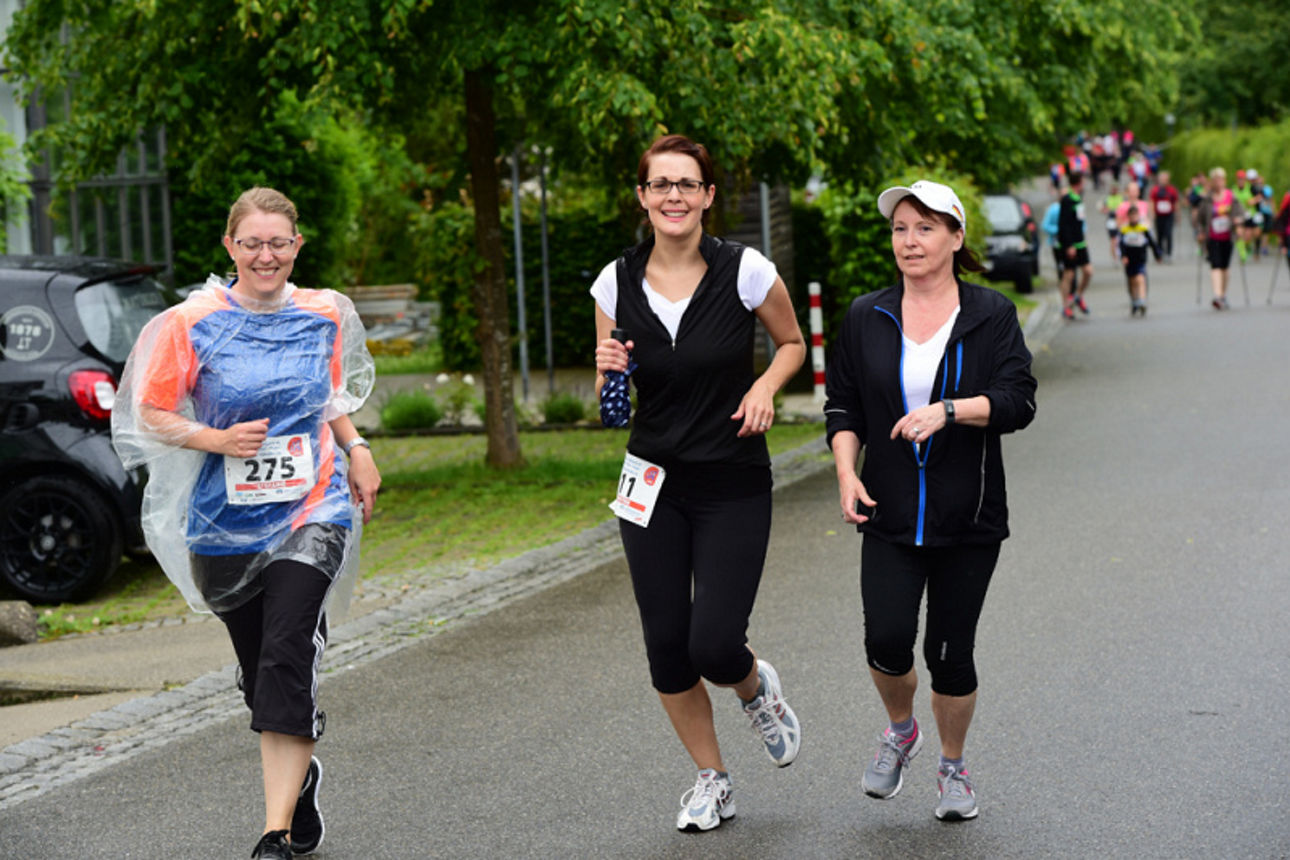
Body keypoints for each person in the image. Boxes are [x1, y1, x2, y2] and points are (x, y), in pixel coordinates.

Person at [112, 187, 381, 859]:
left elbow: (327, 397)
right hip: (223, 524)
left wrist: (358, 449)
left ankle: (273, 833)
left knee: (289, 655)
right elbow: (148, 413)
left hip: (314, 508)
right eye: (253, 242)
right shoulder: (189, 322)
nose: (267, 255)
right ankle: (302, 778)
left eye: (279, 242)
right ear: (230, 245)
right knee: (262, 673)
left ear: (298, 247)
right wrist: (216, 439)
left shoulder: (324, 313)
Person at [589, 134, 806, 834]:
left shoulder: (744, 270)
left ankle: (753, 687)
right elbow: (613, 396)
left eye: (688, 184)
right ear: (643, 197)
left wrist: (767, 386)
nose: (674, 196)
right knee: (666, 647)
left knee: (714, 643)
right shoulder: (612, 283)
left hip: (731, 477)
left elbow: (793, 343)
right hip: (649, 480)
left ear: (709, 196)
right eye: (661, 184)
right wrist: (607, 370)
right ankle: (713, 779)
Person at [824, 180, 1036, 822]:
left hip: (966, 515)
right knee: (886, 641)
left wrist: (948, 411)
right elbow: (842, 405)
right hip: (886, 511)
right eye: (900, 229)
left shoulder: (990, 313)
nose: (909, 241)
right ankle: (901, 731)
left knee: (950, 654)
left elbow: (1018, 401)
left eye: (924, 227)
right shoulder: (867, 314)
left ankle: (952, 764)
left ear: (956, 238)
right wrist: (845, 472)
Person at [1195, 167, 1245, 310]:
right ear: (1211, 182)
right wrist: (1200, 232)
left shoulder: (1231, 196)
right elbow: (1200, 218)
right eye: (1215, 180)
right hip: (1212, 237)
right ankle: (1217, 295)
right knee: (1215, 265)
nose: (1218, 183)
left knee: (1224, 266)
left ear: (1224, 181)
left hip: (1227, 236)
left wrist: (1239, 224)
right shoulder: (1207, 199)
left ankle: (1223, 295)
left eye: (1220, 180)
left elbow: (1241, 213)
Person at [1058, 172, 1094, 318]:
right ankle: (1065, 306)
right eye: (1083, 180)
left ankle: (1077, 296)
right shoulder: (1067, 199)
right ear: (1078, 182)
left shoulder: (1078, 198)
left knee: (1088, 271)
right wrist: (1068, 245)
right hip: (1070, 244)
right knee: (1069, 274)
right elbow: (1064, 224)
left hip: (1081, 243)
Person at [1119, 202, 1162, 316]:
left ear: (1138, 216)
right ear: (1128, 217)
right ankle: (1134, 301)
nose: (1134, 218)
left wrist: (1157, 254)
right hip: (1129, 260)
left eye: (1135, 216)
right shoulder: (1124, 229)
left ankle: (1142, 301)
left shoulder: (1143, 229)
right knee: (1132, 281)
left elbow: (1152, 243)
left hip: (1140, 258)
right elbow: (1121, 245)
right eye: (1131, 216)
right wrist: (1123, 256)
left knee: (1140, 279)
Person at [1149, 170, 1179, 261]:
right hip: (1159, 215)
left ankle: (1168, 253)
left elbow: (1176, 202)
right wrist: (1152, 213)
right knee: (1160, 235)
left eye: (1165, 179)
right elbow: (1151, 201)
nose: (1163, 181)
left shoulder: (1172, 190)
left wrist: (1178, 215)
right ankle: (1160, 253)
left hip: (1169, 215)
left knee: (1168, 233)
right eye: (1161, 179)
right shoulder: (1155, 190)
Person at [1102, 183, 1125, 264]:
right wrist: (1107, 210)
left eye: (1115, 189)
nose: (1114, 191)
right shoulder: (1108, 199)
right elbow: (1104, 210)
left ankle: (1121, 255)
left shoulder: (1121, 198)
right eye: (1113, 189)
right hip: (1111, 221)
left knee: (1119, 239)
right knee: (1113, 240)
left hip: (1120, 220)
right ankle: (1115, 258)